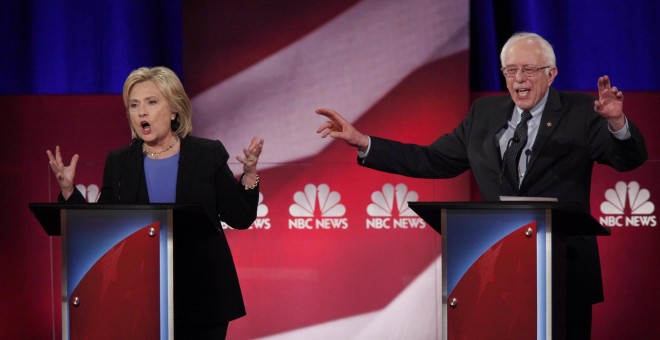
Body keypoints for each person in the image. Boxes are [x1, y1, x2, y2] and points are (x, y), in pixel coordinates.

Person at [315, 32, 647, 338]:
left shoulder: (580, 112)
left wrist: (617, 123)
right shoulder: (484, 113)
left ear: (551, 74)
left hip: (562, 272)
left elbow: (627, 159)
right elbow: (433, 159)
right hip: (496, 277)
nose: (518, 79)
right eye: (510, 70)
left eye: (529, 69)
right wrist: (363, 142)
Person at [47, 66, 264, 338]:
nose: (141, 112)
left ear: (174, 110)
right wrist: (69, 191)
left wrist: (250, 173)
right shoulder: (119, 162)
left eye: (151, 102)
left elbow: (240, 216)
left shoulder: (207, 154)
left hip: (202, 295)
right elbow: (103, 228)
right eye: (134, 105)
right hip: (139, 298)